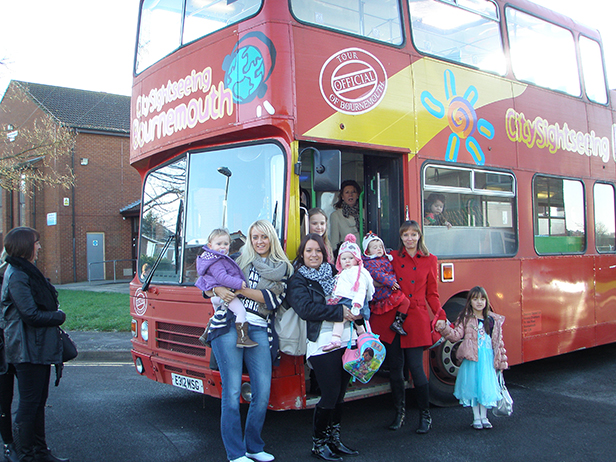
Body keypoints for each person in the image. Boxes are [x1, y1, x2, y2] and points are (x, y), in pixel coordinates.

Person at [205, 220, 292, 462]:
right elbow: (207, 280)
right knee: (232, 391)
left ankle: (254, 446)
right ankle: (235, 453)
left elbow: (271, 301)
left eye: (264, 237)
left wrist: (236, 289)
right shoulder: (237, 259)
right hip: (228, 325)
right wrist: (216, 291)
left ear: (271, 239)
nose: (259, 241)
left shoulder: (283, 267)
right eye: (255, 237)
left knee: (262, 392)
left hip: (259, 328)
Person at [286, 234, 359, 461]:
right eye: (309, 251)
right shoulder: (298, 280)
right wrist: (338, 312)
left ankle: (334, 440)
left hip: (347, 338)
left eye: (318, 250)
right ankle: (319, 443)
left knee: (340, 394)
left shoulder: (336, 273)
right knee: (329, 393)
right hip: (321, 341)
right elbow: (306, 310)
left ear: (324, 253)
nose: (314, 255)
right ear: (302, 254)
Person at [369, 221, 446, 434]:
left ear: (419, 236)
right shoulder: (392, 256)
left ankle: (425, 415)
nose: (409, 239)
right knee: (395, 369)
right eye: (405, 235)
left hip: (415, 317)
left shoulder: (431, 260)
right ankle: (399, 414)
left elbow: (432, 293)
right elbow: (375, 269)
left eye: (413, 235)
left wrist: (440, 314)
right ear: (401, 238)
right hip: (394, 315)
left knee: (416, 369)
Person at [1, 227, 69, 462]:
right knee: (29, 405)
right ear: (25, 246)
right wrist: (59, 316)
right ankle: (26, 454)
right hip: (26, 349)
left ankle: (40, 452)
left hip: (36, 347)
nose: (39, 247)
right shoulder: (17, 275)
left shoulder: (24, 271)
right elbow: (30, 314)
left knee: (38, 403)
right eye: (36, 243)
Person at [435, 286, 508, 429]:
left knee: (485, 388)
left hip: (487, 359)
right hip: (472, 359)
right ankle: (476, 418)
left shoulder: (493, 321)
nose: (479, 302)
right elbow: (456, 335)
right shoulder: (466, 318)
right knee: (474, 388)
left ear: (486, 301)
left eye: (482, 299)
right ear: (470, 302)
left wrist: (501, 362)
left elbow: (498, 344)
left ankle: (484, 417)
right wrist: (444, 327)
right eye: (475, 299)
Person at [195, 228, 256, 348]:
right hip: (222, 295)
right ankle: (243, 338)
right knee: (240, 311)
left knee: (216, 314)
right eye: (219, 244)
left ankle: (207, 332)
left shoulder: (213, 259)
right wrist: (239, 284)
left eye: (226, 244)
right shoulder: (218, 260)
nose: (223, 247)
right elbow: (222, 278)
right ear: (210, 245)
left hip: (217, 297)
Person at [323, 234, 374, 352]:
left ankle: (336, 339)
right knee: (358, 324)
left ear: (357, 259)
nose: (347, 261)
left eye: (350, 258)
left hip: (354, 302)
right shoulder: (343, 273)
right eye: (344, 258)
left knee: (340, 319)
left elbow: (361, 289)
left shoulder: (357, 273)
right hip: (348, 300)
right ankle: (364, 338)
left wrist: (357, 304)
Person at [361, 232, 411, 336]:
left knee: (405, 302)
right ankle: (398, 323)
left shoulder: (385, 259)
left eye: (380, 246)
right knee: (405, 301)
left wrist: (392, 280)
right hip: (381, 292)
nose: (379, 249)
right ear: (367, 251)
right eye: (375, 247)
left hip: (388, 288)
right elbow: (377, 275)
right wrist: (391, 282)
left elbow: (391, 272)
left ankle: (398, 322)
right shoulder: (369, 263)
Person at [0, 250, 18, 462]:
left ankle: (21, 443)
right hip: (4, 347)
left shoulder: (11, 276)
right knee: (4, 400)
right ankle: (8, 444)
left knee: (28, 401)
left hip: (15, 344)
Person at [329, 180, 362, 252]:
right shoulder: (336, 215)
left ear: (358, 195)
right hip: (347, 256)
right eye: (347, 192)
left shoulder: (365, 212)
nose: (350, 195)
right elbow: (334, 242)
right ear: (342, 197)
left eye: (353, 192)